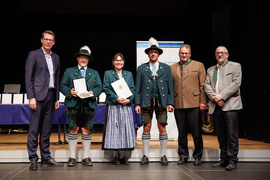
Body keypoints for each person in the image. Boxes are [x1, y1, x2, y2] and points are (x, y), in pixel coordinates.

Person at [25, 30, 63, 170]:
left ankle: (46, 157)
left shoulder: (56, 57)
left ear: (53, 42)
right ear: (41, 40)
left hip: (51, 96)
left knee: (46, 130)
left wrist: (57, 98)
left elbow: (57, 78)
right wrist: (31, 97)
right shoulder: (33, 55)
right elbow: (28, 78)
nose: (48, 42)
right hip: (38, 96)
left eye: (51, 40)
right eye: (46, 39)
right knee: (34, 129)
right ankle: (33, 158)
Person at [60, 45, 102, 167]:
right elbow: (62, 86)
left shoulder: (94, 73)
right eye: (82, 57)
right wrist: (69, 92)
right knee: (73, 129)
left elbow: (99, 87)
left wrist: (93, 93)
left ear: (88, 60)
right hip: (74, 104)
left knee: (87, 130)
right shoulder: (69, 71)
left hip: (88, 104)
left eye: (86, 58)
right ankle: (72, 157)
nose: (84, 60)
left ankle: (86, 157)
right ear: (77, 58)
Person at [135, 37, 174, 166]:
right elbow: (138, 87)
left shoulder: (166, 68)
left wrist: (170, 102)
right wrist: (137, 103)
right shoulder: (141, 68)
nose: (153, 54)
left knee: (162, 127)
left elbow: (170, 87)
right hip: (146, 102)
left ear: (158, 54)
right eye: (151, 52)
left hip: (162, 102)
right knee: (146, 127)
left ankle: (163, 155)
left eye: (155, 52)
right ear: (148, 54)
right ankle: (145, 155)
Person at [204, 46, 242, 171]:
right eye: (218, 53)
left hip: (230, 105)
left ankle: (232, 160)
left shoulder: (235, 66)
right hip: (216, 106)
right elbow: (206, 85)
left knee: (231, 134)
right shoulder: (210, 70)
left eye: (222, 52)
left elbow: (236, 83)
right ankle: (224, 158)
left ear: (227, 54)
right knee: (221, 135)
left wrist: (221, 96)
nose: (220, 54)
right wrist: (215, 98)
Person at [171, 44, 207, 166]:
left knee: (196, 132)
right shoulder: (172, 67)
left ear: (190, 54)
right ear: (179, 54)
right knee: (181, 132)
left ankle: (197, 156)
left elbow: (203, 85)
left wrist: (203, 102)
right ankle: (183, 155)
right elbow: (170, 87)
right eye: (182, 53)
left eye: (186, 53)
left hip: (194, 104)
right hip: (178, 104)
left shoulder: (199, 65)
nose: (184, 55)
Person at [102, 53, 136, 165]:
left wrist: (129, 100)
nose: (119, 62)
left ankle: (122, 156)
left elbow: (132, 89)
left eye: (120, 60)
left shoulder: (128, 74)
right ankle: (115, 156)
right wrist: (116, 98)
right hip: (113, 105)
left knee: (124, 130)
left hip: (125, 106)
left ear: (124, 62)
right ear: (113, 62)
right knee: (114, 130)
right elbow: (106, 88)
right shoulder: (108, 73)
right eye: (116, 60)